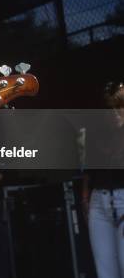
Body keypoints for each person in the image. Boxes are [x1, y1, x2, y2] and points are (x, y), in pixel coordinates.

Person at [83, 81, 124, 278]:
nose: (115, 112)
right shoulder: (99, 132)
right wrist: (85, 200)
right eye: (111, 108)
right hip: (99, 200)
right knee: (105, 271)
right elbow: (89, 172)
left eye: (119, 107)